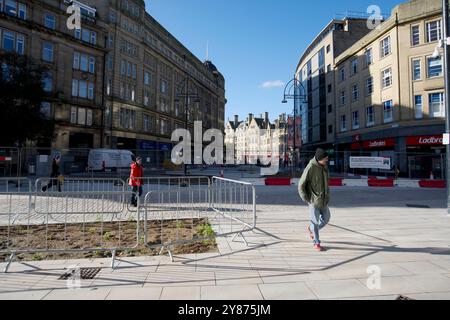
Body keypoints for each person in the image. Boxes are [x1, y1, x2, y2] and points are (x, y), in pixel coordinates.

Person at [298, 148, 331, 251]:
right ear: (320, 159)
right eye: (325, 158)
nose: (327, 160)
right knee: (315, 222)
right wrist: (307, 198)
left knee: (326, 218)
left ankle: (311, 228)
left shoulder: (324, 166)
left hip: (324, 200)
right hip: (314, 201)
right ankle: (316, 243)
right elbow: (301, 185)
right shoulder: (310, 168)